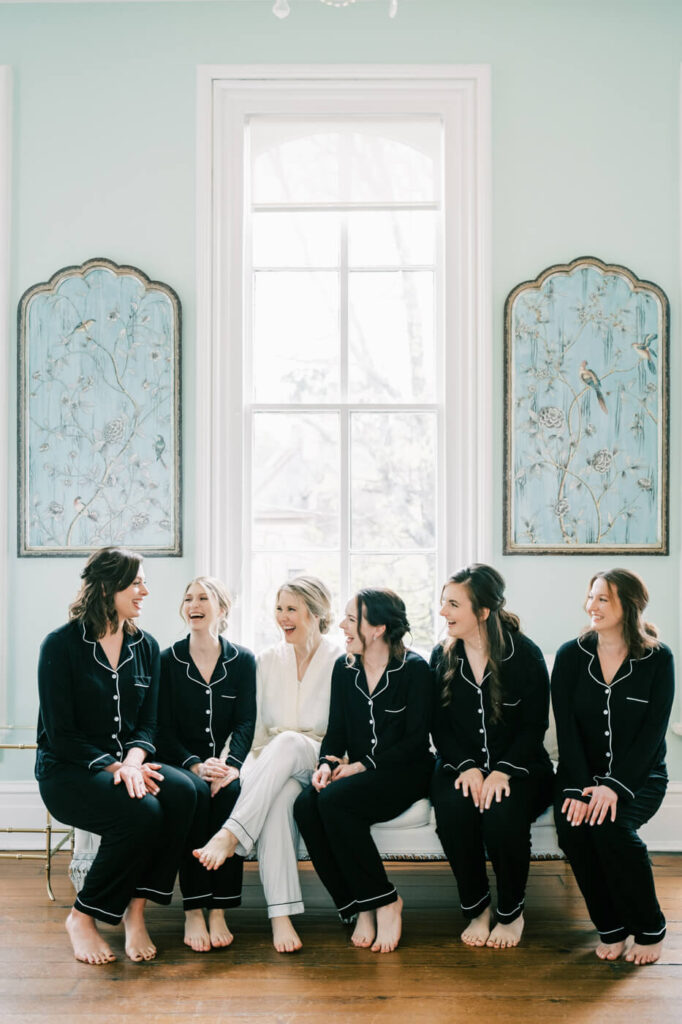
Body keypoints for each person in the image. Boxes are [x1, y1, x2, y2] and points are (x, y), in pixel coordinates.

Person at [35, 547, 197, 965]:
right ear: (108, 587)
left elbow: (149, 723)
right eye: (136, 582)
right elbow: (61, 735)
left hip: (128, 764)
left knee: (185, 792)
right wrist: (115, 766)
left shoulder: (146, 646)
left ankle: (135, 912)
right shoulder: (60, 645)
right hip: (69, 771)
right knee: (142, 812)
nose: (145, 590)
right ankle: (82, 916)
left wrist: (134, 761)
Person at [193, 576, 341, 953]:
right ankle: (281, 915)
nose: (283, 617)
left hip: (319, 759)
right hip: (274, 763)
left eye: (292, 609)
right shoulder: (267, 660)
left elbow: (347, 729)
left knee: (290, 741)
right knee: (276, 806)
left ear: (316, 612)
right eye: (279, 608)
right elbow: (252, 727)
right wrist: (233, 765)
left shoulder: (341, 660)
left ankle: (232, 834)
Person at [293, 588, 434, 954]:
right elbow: (336, 729)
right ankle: (357, 903)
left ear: (377, 628)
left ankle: (385, 901)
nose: (342, 625)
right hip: (358, 773)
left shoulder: (415, 670)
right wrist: (326, 763)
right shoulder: (345, 668)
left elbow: (416, 741)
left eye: (351, 619)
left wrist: (362, 765)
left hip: (405, 772)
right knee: (307, 804)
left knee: (336, 802)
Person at [551, 569, 674, 966]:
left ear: (630, 605)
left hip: (640, 778)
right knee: (574, 830)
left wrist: (615, 787)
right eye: (591, 597)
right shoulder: (571, 655)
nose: (592, 606)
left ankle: (650, 926)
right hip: (579, 776)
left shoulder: (659, 658)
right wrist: (579, 787)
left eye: (603, 598)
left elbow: (652, 736)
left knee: (612, 830)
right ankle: (611, 926)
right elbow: (567, 732)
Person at [430, 564, 553, 950]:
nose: (443, 612)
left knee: (502, 815)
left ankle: (512, 912)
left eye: (453, 604)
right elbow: (439, 726)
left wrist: (502, 772)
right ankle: (478, 907)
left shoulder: (526, 655)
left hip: (521, 768)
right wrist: (466, 766)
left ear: (482, 612)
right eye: (443, 602)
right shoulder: (442, 655)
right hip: (458, 765)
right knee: (453, 812)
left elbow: (534, 727)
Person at [158, 577, 256, 953]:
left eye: (203, 598)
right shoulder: (167, 660)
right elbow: (161, 727)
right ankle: (194, 908)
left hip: (225, 767)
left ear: (222, 609)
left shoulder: (243, 660)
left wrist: (230, 766)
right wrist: (195, 765)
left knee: (230, 794)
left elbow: (246, 720)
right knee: (194, 796)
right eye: (188, 598)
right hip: (183, 764)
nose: (193, 604)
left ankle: (220, 909)